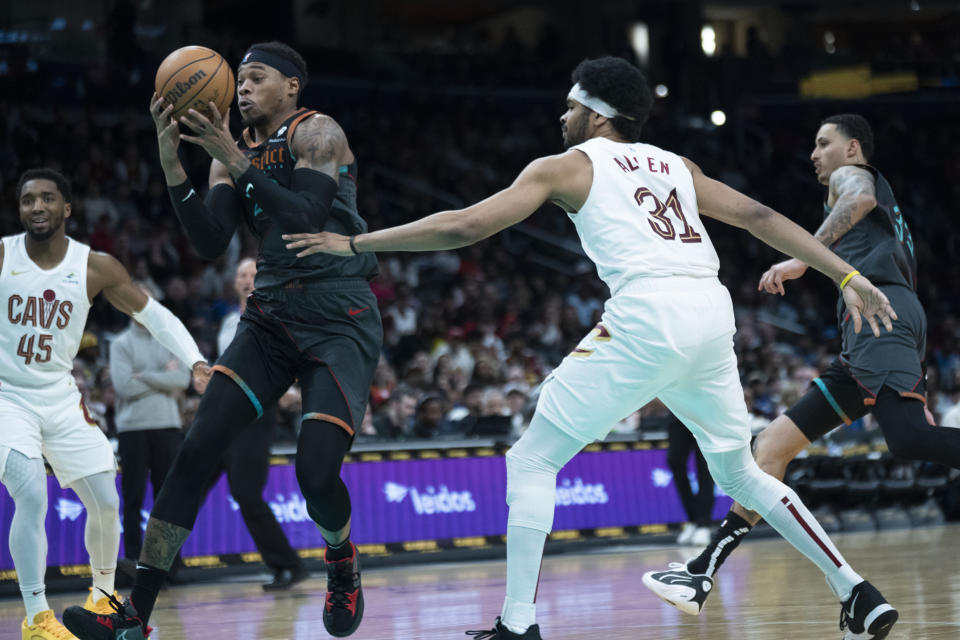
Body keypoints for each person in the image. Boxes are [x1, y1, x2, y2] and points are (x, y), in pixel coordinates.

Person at [283, 58, 899, 640]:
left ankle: (518, 623)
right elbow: (762, 215)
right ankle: (855, 588)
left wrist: (355, 245)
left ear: (596, 115)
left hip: (648, 313)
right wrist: (845, 274)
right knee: (739, 469)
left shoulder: (568, 166)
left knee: (530, 462)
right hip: (710, 312)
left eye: (569, 105)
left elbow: (467, 225)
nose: (561, 117)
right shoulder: (677, 165)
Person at [64, 41, 381, 640]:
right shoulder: (229, 152)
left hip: (340, 317)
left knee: (315, 474)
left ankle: (340, 558)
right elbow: (210, 241)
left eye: (256, 78)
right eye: (239, 79)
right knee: (196, 447)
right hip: (270, 318)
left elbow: (308, 216)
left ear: (291, 86)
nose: (242, 89)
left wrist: (232, 155)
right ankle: (136, 613)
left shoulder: (318, 133)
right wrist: (170, 161)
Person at [643, 114, 960, 624]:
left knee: (907, 438)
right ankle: (702, 572)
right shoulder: (861, 193)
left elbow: (859, 199)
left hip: (881, 314)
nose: (814, 153)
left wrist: (800, 260)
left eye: (823, 143)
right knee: (768, 451)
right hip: (869, 326)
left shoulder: (850, 177)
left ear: (853, 148)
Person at [1, 168, 210, 640]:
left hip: (58, 395)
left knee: (106, 499)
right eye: (28, 199)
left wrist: (195, 359)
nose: (37, 206)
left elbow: (153, 315)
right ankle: (36, 618)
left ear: (67, 209)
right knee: (31, 493)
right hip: (6, 396)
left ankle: (102, 597)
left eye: (47, 198)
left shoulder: (95, 266)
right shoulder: (2, 256)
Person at [214, 257, 308, 590]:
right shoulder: (228, 321)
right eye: (241, 274)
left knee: (247, 493)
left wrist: (286, 389)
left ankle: (288, 564)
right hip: (223, 415)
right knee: (188, 486)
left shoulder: (274, 317)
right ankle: (160, 569)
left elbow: (290, 361)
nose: (246, 279)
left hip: (255, 415)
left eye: (253, 274)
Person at [110, 282, 192, 564]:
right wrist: (161, 377)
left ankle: (170, 562)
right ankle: (134, 559)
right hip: (132, 428)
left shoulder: (169, 339)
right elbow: (123, 387)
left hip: (167, 425)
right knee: (132, 499)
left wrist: (142, 376)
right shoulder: (120, 343)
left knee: (167, 499)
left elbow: (183, 379)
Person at [665, 411, 715, 547]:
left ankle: (704, 524)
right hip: (677, 410)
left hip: (703, 413)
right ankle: (693, 519)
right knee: (674, 460)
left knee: (705, 466)